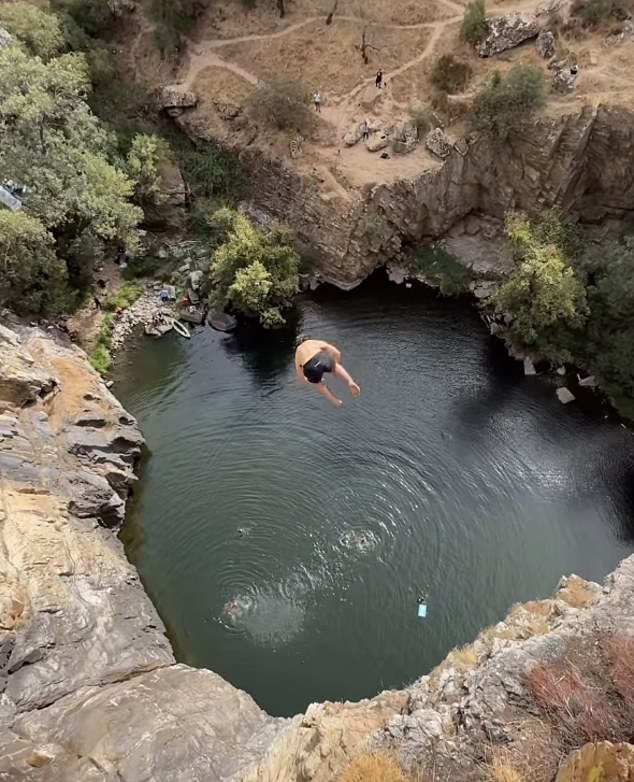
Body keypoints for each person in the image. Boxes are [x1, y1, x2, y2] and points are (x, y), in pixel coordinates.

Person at [295, 335, 360, 406]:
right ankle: (350, 382)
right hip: (321, 357)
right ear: (307, 339)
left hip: (310, 367)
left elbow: (300, 375)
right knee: (336, 366)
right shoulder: (314, 342)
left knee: (318, 384)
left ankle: (335, 400)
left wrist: (310, 380)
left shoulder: (298, 352)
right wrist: (335, 366)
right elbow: (337, 352)